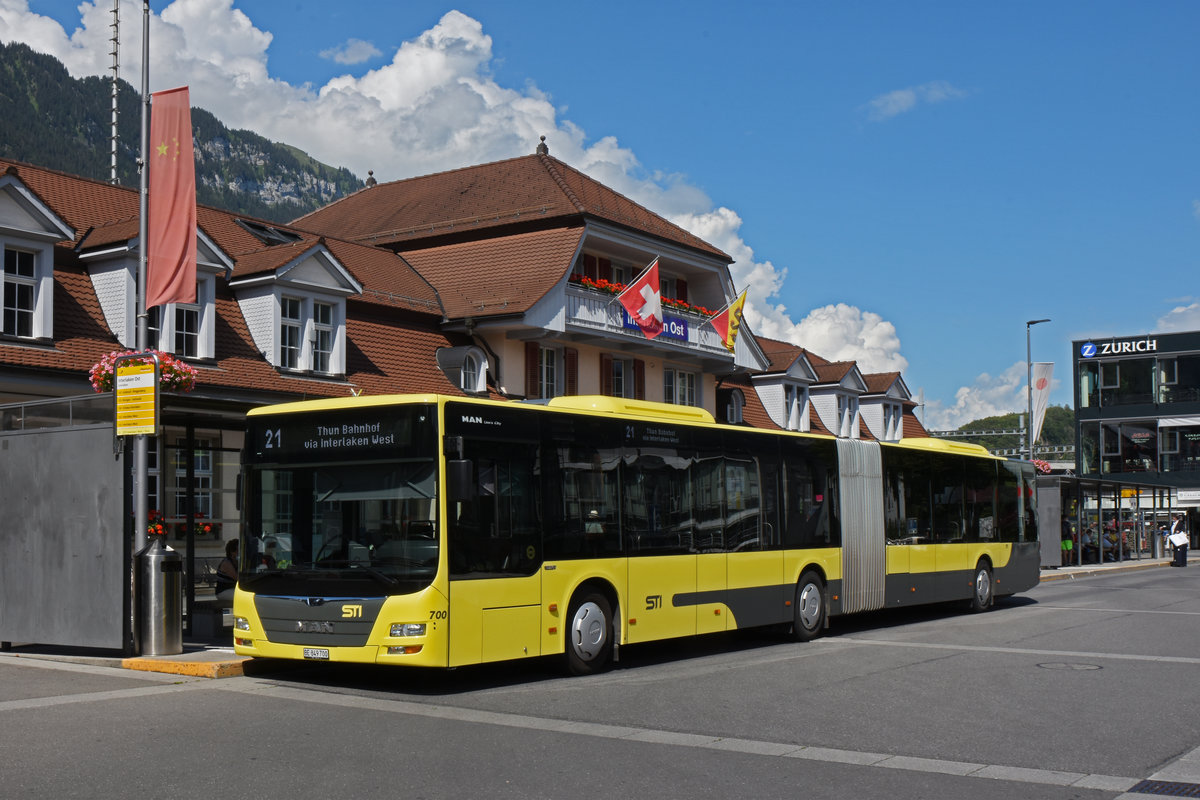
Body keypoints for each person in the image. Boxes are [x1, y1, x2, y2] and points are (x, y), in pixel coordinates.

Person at [214, 539, 238, 604]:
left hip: (232, 589)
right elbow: (237, 578)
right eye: (238, 550)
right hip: (223, 591)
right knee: (244, 597)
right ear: (232, 552)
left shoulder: (236, 562)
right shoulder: (227, 563)